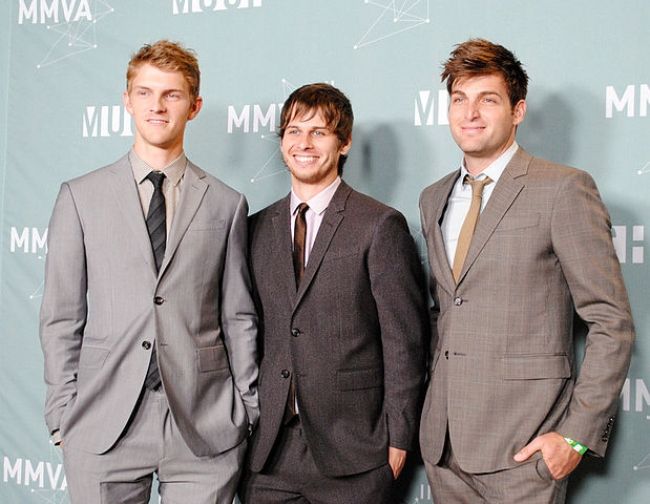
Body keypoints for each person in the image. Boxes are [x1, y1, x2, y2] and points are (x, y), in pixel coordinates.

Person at [39, 40, 258, 504]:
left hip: (203, 425)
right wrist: (62, 413)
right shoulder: (80, 197)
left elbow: (238, 316)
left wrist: (247, 408)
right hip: (102, 422)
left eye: (172, 95)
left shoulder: (226, 202)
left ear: (194, 106)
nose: (157, 106)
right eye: (145, 92)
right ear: (127, 100)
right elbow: (61, 315)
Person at [418, 38, 635, 503]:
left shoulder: (563, 190)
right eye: (460, 99)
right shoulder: (432, 198)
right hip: (443, 450)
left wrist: (575, 436)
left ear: (518, 110)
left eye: (487, 99)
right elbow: (446, 310)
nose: (470, 112)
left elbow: (610, 322)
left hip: (524, 453)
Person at [240, 83, 428, 503]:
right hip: (269, 455)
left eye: (318, 132)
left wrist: (399, 436)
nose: (303, 144)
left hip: (356, 452)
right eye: (293, 131)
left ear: (343, 143)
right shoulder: (254, 228)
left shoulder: (379, 225)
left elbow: (404, 341)